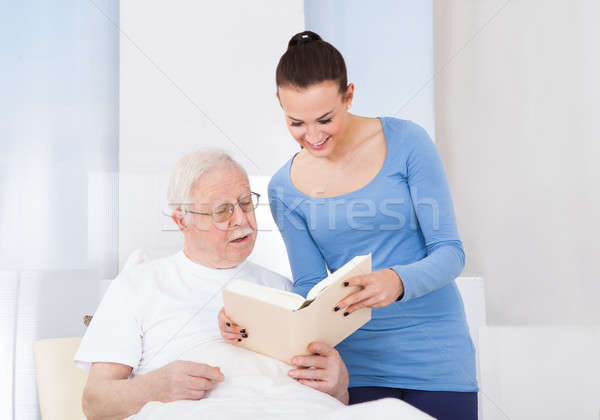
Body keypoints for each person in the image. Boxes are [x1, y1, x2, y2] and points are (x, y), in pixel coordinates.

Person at [225, 31, 478, 420]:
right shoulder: (283, 188)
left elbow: (450, 253)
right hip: (354, 364)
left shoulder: (407, 143)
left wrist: (396, 281)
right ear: (280, 104)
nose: (313, 136)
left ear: (349, 95)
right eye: (296, 123)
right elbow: (309, 285)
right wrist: (251, 322)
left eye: (325, 119)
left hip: (437, 356)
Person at [75, 149, 349, 420]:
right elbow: (95, 403)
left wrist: (337, 384)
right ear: (182, 221)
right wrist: (154, 387)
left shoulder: (285, 290)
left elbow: (328, 399)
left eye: (245, 203)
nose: (241, 220)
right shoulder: (137, 285)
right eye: (222, 211)